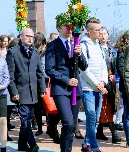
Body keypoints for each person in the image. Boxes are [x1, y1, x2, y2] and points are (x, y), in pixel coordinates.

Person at [45, 20, 88, 152]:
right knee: (68, 122)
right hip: (61, 89)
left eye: (72, 26)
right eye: (67, 26)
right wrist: (66, 80)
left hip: (76, 89)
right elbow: (49, 69)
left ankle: (66, 149)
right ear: (59, 28)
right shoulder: (53, 45)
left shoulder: (76, 44)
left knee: (72, 124)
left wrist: (79, 54)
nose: (70, 29)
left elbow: (84, 66)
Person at [6, 28, 46, 152]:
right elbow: (10, 76)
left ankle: (21, 145)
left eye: (32, 37)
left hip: (33, 91)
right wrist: (14, 92)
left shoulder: (35, 52)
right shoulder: (13, 52)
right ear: (21, 37)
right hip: (20, 91)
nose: (30, 39)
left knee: (28, 119)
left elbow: (39, 72)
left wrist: (42, 88)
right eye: (28, 36)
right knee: (24, 118)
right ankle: (33, 143)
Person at [80, 17, 108, 152]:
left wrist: (103, 81)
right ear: (89, 31)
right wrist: (97, 83)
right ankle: (94, 147)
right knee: (91, 118)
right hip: (88, 88)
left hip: (99, 87)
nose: (100, 32)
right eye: (97, 30)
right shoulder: (83, 46)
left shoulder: (99, 46)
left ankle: (86, 144)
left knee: (95, 119)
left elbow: (104, 65)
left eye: (101, 29)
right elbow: (84, 70)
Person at [96, 27, 122, 144]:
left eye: (105, 33)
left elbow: (115, 64)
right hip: (101, 80)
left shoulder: (112, 49)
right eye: (101, 33)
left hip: (111, 80)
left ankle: (100, 131)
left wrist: (114, 75)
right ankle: (113, 132)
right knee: (104, 105)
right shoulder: (96, 48)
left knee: (110, 104)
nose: (103, 36)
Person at [114, 30, 129, 131]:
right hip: (126, 85)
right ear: (127, 40)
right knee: (127, 110)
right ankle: (128, 137)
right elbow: (122, 70)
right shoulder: (122, 52)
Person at [33, 32, 47, 136]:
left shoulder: (47, 52)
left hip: (46, 81)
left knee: (48, 105)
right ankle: (39, 127)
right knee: (38, 107)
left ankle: (51, 126)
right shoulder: (34, 52)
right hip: (36, 81)